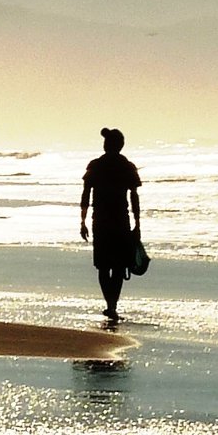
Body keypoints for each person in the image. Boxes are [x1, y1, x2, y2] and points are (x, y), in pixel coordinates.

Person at [79, 127, 144, 324]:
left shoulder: (96, 165)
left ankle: (110, 304)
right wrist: (138, 223)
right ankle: (112, 305)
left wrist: (82, 221)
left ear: (107, 145)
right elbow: (134, 196)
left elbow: (85, 195)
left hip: (100, 221)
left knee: (103, 266)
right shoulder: (127, 166)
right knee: (118, 267)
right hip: (120, 221)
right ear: (121, 145)